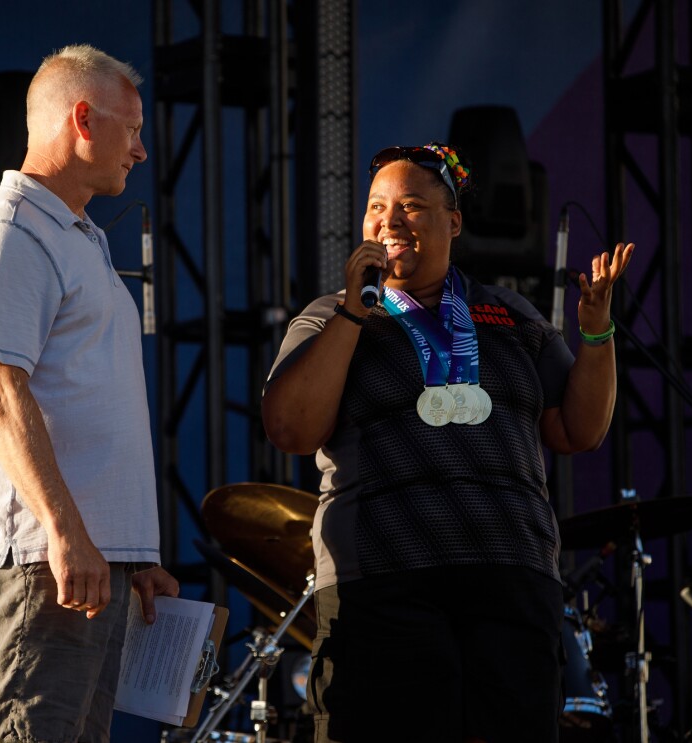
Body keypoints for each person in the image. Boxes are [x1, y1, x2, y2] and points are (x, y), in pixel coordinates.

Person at [261, 142, 634, 743]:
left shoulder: (511, 315)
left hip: (509, 580)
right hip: (381, 583)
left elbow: (578, 430)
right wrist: (354, 312)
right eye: (377, 207)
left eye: (411, 205)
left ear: (453, 221)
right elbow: (291, 429)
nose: (390, 220)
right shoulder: (330, 316)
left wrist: (596, 334)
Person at [0, 44, 179, 743]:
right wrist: (65, 531)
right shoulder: (9, 231)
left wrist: (130, 549)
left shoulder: (75, 237)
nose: (139, 150)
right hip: (37, 562)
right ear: (82, 118)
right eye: (130, 129)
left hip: (77, 562)